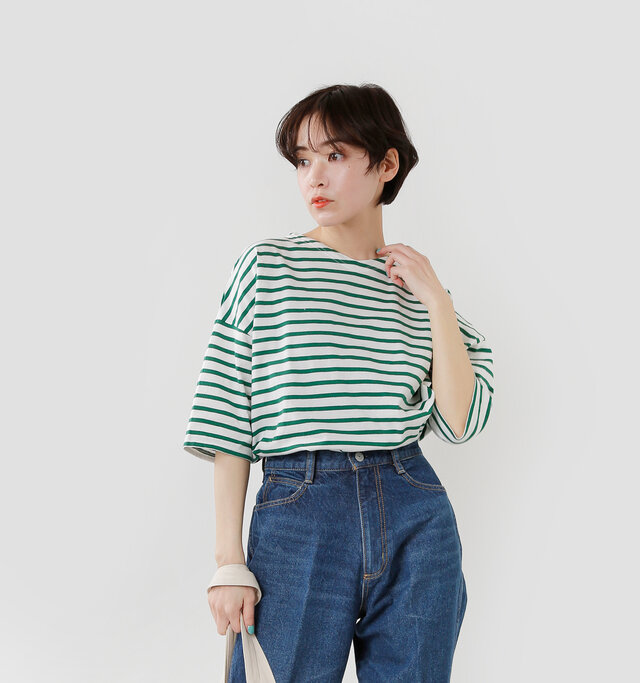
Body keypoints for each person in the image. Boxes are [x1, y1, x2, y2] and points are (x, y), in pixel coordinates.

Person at [183, 83, 494, 682]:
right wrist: (228, 562)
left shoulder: (421, 295)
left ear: (386, 164)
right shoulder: (267, 267)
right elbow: (226, 413)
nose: (314, 178)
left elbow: (460, 422)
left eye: (335, 155)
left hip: (413, 510)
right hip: (299, 510)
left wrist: (436, 299)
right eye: (302, 160)